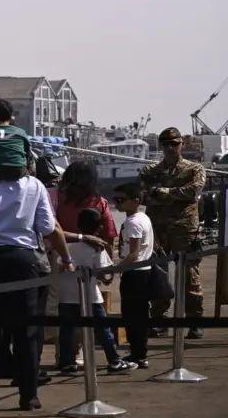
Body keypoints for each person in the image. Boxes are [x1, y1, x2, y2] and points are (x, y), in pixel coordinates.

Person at [0, 170, 72, 411]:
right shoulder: (34, 185)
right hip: (24, 261)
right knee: (27, 332)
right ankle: (29, 396)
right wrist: (66, 257)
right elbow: (47, 226)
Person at [139, 126, 207, 338]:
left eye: (174, 144)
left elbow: (194, 191)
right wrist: (172, 195)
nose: (170, 148)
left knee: (190, 276)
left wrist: (165, 193)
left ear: (181, 145)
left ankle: (194, 321)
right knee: (158, 276)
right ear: (161, 146)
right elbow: (144, 195)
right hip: (158, 230)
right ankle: (159, 319)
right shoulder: (150, 171)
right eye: (166, 145)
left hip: (185, 230)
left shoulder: (194, 169)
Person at [54, 208, 135, 373]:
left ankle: (66, 362)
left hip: (67, 296)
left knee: (67, 331)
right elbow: (105, 273)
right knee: (102, 328)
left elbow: (59, 264)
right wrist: (107, 276)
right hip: (91, 296)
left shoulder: (68, 244)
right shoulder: (97, 247)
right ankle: (114, 360)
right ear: (99, 228)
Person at [113, 182, 155, 368]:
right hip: (144, 272)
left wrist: (116, 268)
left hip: (134, 274)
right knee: (140, 314)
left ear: (135, 201)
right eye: (116, 200)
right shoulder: (143, 217)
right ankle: (140, 352)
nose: (117, 203)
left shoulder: (133, 222)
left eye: (121, 200)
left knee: (131, 315)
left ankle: (138, 353)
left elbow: (133, 253)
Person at [52, 160, 118, 254]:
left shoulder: (55, 199)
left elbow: (50, 231)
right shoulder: (100, 203)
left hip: (64, 257)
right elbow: (108, 239)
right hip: (83, 258)